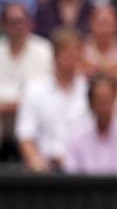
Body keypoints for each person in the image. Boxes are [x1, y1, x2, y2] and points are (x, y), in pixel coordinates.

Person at [15, 29, 89, 172]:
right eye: (66, 52)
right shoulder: (34, 90)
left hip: (83, 171)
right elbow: (25, 134)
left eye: (75, 52)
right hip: (45, 171)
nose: (71, 57)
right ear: (55, 54)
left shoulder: (89, 90)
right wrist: (36, 162)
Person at [0, 2, 52, 163]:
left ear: (30, 23)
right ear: (3, 24)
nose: (17, 26)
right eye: (12, 21)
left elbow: (47, 90)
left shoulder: (44, 49)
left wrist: (13, 105)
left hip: (34, 114)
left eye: (20, 21)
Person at [64, 74, 117, 174]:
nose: (103, 105)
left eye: (107, 99)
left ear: (115, 99)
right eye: (98, 99)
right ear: (91, 102)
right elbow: (71, 178)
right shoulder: (77, 139)